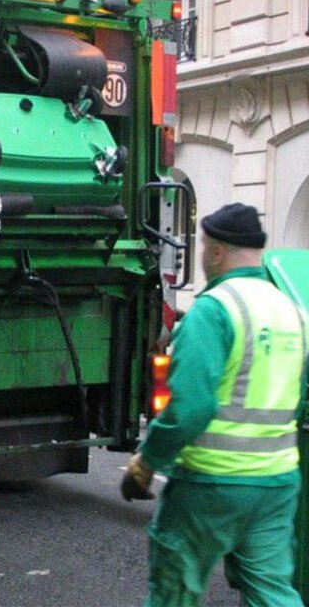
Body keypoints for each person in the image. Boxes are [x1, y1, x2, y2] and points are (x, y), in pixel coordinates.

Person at [121, 203, 307, 607]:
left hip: (211, 485)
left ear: (218, 251)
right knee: (272, 592)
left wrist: (147, 461)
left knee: (175, 590)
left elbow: (189, 409)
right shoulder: (293, 313)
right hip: (277, 483)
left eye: (204, 247)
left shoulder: (214, 310)